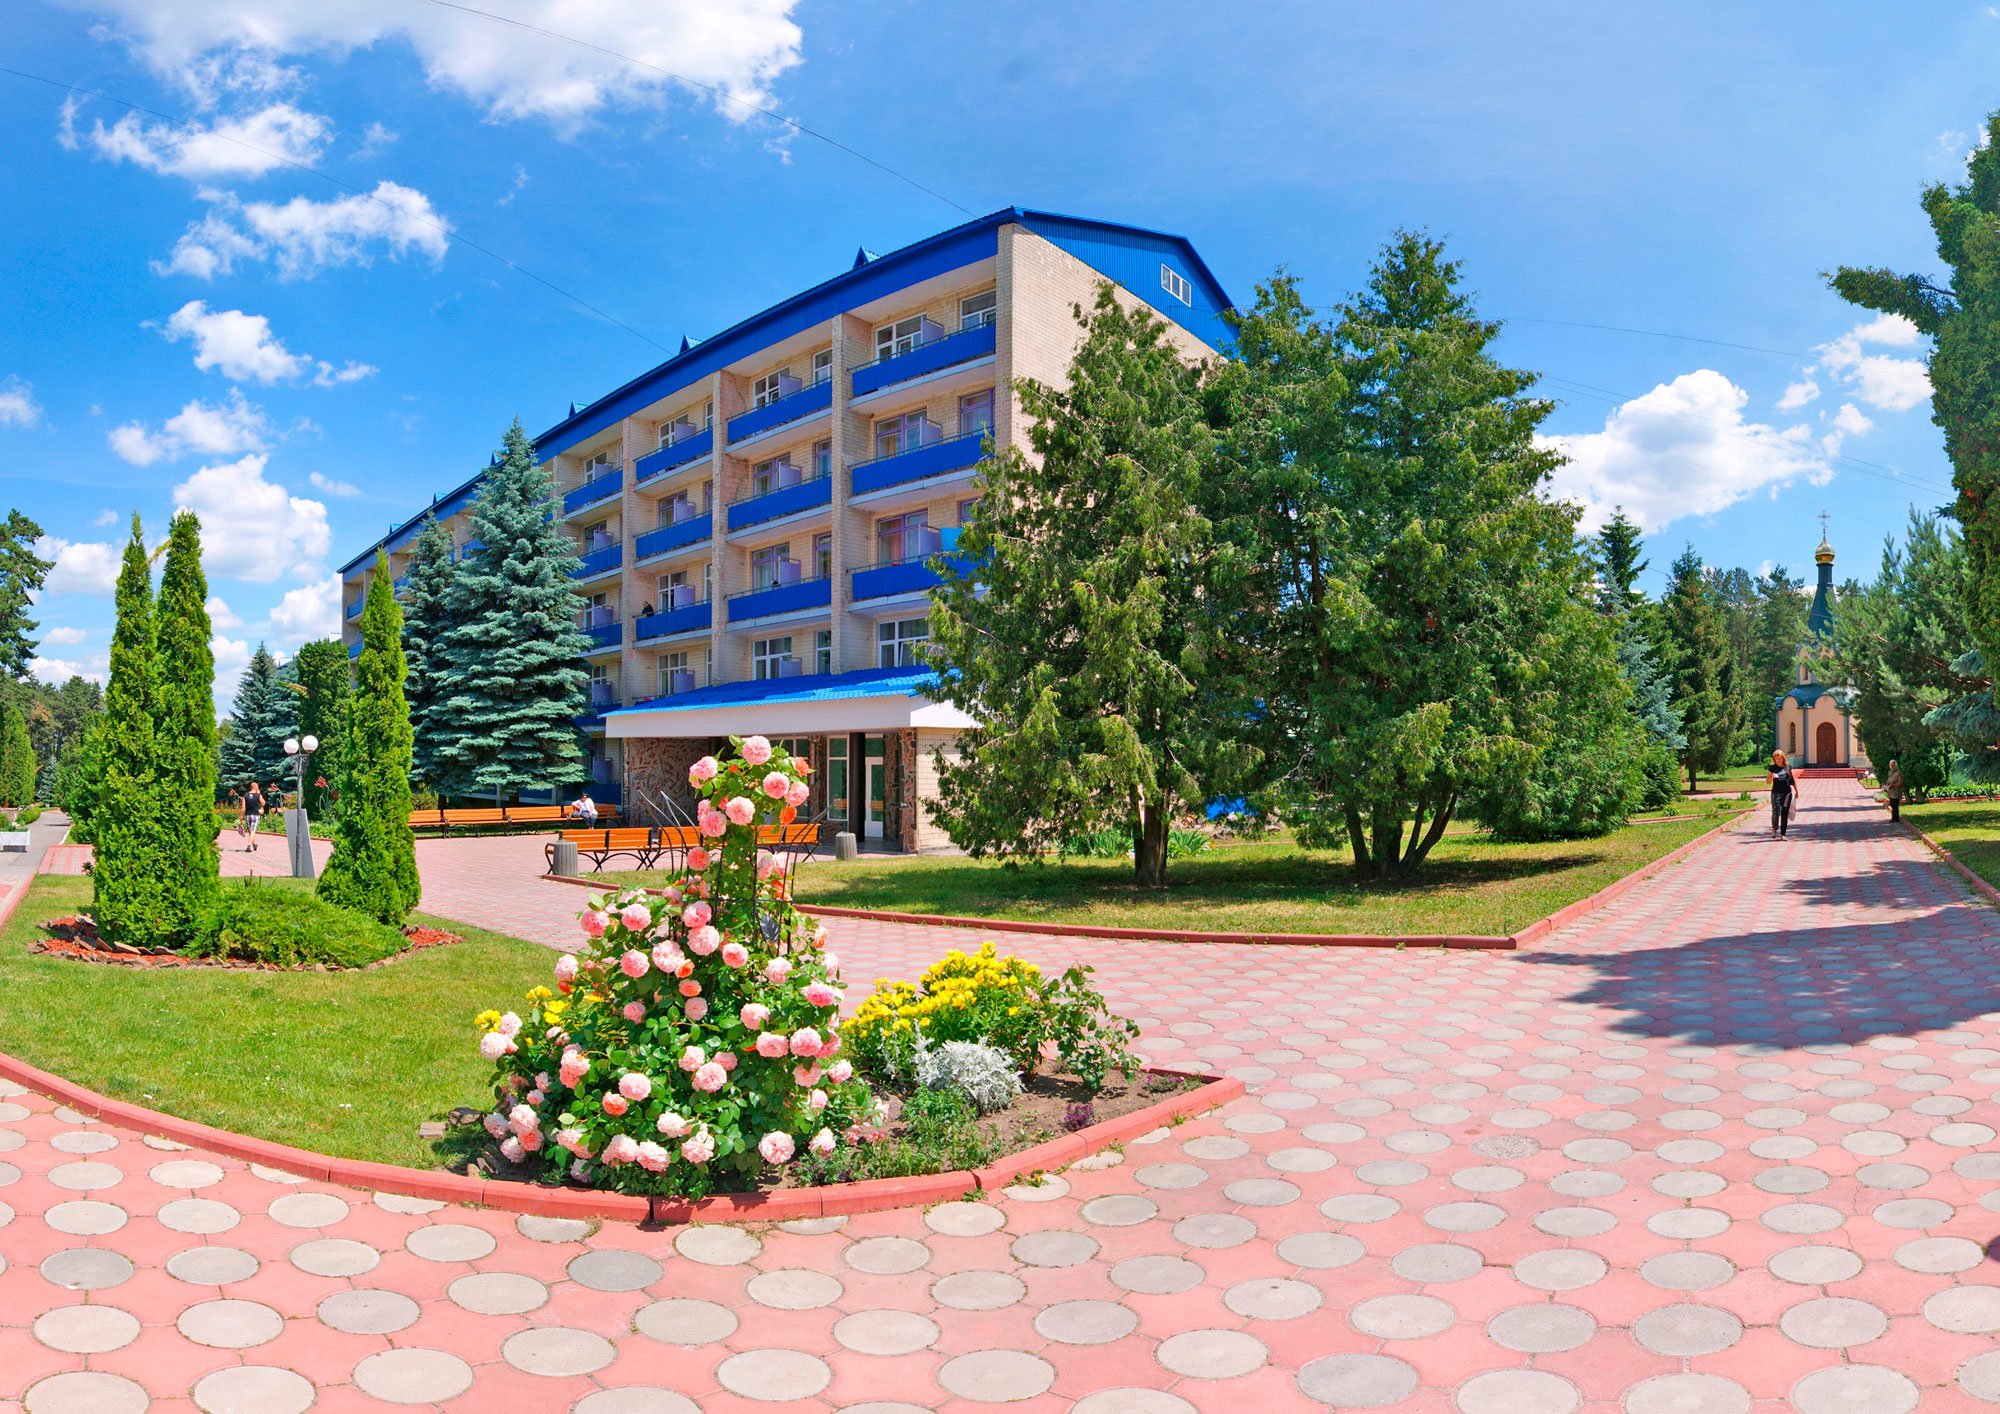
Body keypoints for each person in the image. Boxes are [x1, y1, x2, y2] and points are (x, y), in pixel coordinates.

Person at [1766, 749, 1799, 838]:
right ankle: (1774, 829)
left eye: (1780, 758)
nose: (1779, 760)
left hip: (1787, 793)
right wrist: (1771, 777)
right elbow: (1767, 782)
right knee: (1776, 812)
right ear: (1774, 759)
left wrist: (1796, 791)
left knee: (1784, 812)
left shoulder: (1787, 767)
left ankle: (1783, 834)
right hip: (1776, 793)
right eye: (1777, 759)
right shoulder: (1772, 768)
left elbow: (1792, 780)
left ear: (1783, 758)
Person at [242, 781, 264, 851]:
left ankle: (254, 845)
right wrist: (259, 794)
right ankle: (248, 846)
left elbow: (243, 807)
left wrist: (241, 816)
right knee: (253, 831)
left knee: (250, 832)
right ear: (256, 787)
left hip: (248, 815)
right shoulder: (258, 795)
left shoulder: (245, 795)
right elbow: (263, 803)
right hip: (255, 815)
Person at [1884, 758, 1906, 823]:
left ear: (1895, 765)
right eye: (1891, 765)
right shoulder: (1890, 772)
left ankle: (1895, 818)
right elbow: (1889, 780)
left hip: (1896, 791)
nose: (1892, 766)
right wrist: (1886, 784)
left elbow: (1900, 783)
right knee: (1892, 804)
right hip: (1891, 792)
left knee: (1895, 805)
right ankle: (1893, 818)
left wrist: (1893, 785)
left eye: (1893, 765)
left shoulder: (1898, 773)